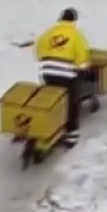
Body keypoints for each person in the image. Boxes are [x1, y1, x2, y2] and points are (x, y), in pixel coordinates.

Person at [34, 8, 94, 146]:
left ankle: (49, 126)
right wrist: (84, 69)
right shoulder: (76, 35)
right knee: (71, 102)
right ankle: (71, 135)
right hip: (67, 75)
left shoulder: (48, 33)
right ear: (74, 20)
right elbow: (82, 58)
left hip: (47, 73)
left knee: (52, 100)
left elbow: (37, 52)